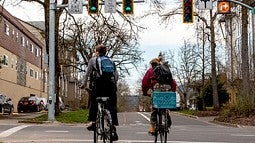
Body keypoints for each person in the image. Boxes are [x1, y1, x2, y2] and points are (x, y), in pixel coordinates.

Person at [81, 44, 119, 140]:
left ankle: (93, 123)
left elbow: (87, 74)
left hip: (99, 85)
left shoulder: (93, 60)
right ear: (105, 52)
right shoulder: (111, 61)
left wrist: (83, 85)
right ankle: (113, 127)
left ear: (97, 52)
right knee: (112, 106)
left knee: (94, 101)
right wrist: (114, 86)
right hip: (110, 85)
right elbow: (116, 76)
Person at [142, 58, 177, 135]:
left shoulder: (150, 71)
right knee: (165, 106)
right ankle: (168, 120)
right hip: (167, 89)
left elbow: (144, 83)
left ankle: (152, 128)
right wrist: (172, 91)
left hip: (157, 90)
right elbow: (173, 81)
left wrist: (145, 92)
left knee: (155, 109)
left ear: (152, 64)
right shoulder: (166, 69)